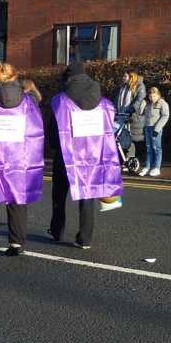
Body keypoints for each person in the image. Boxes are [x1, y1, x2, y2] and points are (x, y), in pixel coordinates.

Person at [47, 62, 123, 249]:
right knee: (87, 195)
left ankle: (57, 231)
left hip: (66, 155)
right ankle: (85, 239)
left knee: (59, 194)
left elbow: (53, 131)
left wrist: (56, 147)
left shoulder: (60, 100)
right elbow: (107, 133)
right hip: (93, 156)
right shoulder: (105, 103)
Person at [0, 62, 44, 256]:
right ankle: (16, 243)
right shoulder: (28, 102)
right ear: (15, 77)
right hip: (19, 158)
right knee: (17, 198)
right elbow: (35, 130)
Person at [114, 69, 146, 164]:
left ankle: (129, 160)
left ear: (131, 77)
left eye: (125, 76)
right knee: (122, 138)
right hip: (122, 116)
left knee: (130, 138)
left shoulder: (139, 86)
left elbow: (139, 99)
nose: (123, 78)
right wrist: (115, 109)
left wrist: (130, 110)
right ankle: (124, 160)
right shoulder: (123, 87)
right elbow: (118, 99)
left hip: (132, 117)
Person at [137, 87, 169, 177]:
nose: (152, 99)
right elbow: (140, 112)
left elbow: (165, 116)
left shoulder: (163, 104)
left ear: (158, 95)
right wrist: (143, 103)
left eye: (154, 96)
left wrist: (157, 129)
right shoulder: (148, 104)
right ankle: (147, 167)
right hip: (147, 128)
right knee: (149, 148)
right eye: (150, 96)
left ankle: (157, 168)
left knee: (156, 148)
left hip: (156, 129)